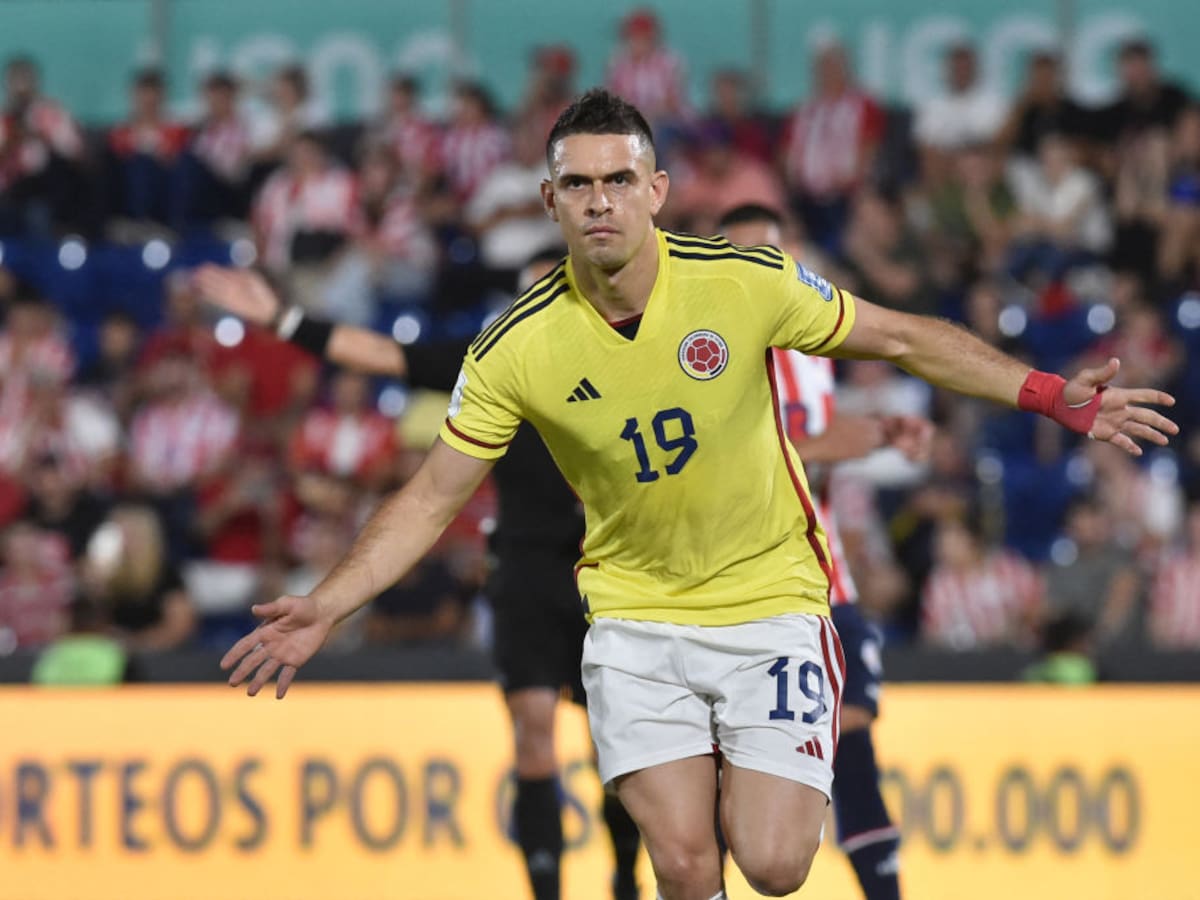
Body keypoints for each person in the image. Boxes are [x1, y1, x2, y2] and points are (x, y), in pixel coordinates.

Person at [218, 90, 1176, 899]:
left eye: (620, 180)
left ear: (658, 192)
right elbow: (430, 497)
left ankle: (740, 769)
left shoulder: (742, 283)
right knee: (679, 865)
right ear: (550, 199)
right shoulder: (514, 346)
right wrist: (327, 608)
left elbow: (901, 339)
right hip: (634, 619)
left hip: (769, 601)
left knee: (773, 863)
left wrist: (1052, 397)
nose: (601, 202)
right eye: (580, 184)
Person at [194, 248, 643, 900]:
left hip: (611, 572)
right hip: (524, 565)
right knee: (534, 736)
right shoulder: (498, 360)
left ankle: (626, 879)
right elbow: (383, 356)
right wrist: (286, 320)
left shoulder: (631, 361)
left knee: (615, 749)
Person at [717, 203, 923, 899]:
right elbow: (716, 473)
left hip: (826, 583)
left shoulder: (813, 349)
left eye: (766, 253)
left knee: (854, 738)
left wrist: (883, 432)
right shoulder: (706, 361)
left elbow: (828, 449)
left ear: (789, 254)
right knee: (731, 786)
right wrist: (825, 446)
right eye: (738, 255)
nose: (755, 270)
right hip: (740, 593)